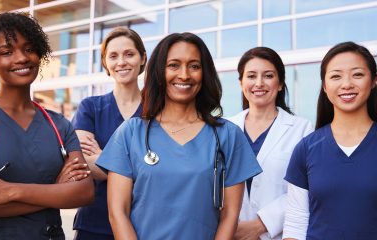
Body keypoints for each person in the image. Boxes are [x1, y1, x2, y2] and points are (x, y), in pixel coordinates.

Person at [95, 32, 262, 239]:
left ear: (205, 73)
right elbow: (118, 213)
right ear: (158, 71)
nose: (184, 75)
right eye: (173, 65)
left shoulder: (228, 135)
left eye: (194, 66)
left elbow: (229, 215)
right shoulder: (130, 133)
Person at [0, 12, 94, 239]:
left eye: (29, 49)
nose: (22, 58)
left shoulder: (59, 125)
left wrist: (8, 191)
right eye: (7, 52)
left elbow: (84, 192)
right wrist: (55, 192)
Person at [283, 42, 377, 240]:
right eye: (336, 76)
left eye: (357, 74)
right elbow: (296, 223)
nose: (347, 84)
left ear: (374, 81)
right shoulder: (306, 149)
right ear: (325, 86)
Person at [229, 47, 312, 240]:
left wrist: (261, 224)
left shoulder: (302, 129)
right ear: (241, 82)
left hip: (280, 234)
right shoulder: (224, 129)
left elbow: (306, 188)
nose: (259, 83)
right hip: (230, 233)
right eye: (251, 76)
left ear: (281, 83)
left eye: (268, 76)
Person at [71, 27, 146, 240]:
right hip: (94, 224)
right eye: (113, 56)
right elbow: (81, 162)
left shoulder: (157, 112)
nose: (121, 62)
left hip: (143, 225)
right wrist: (135, 165)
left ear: (143, 58)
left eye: (129, 54)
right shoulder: (90, 108)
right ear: (105, 63)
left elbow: (161, 171)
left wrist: (103, 158)